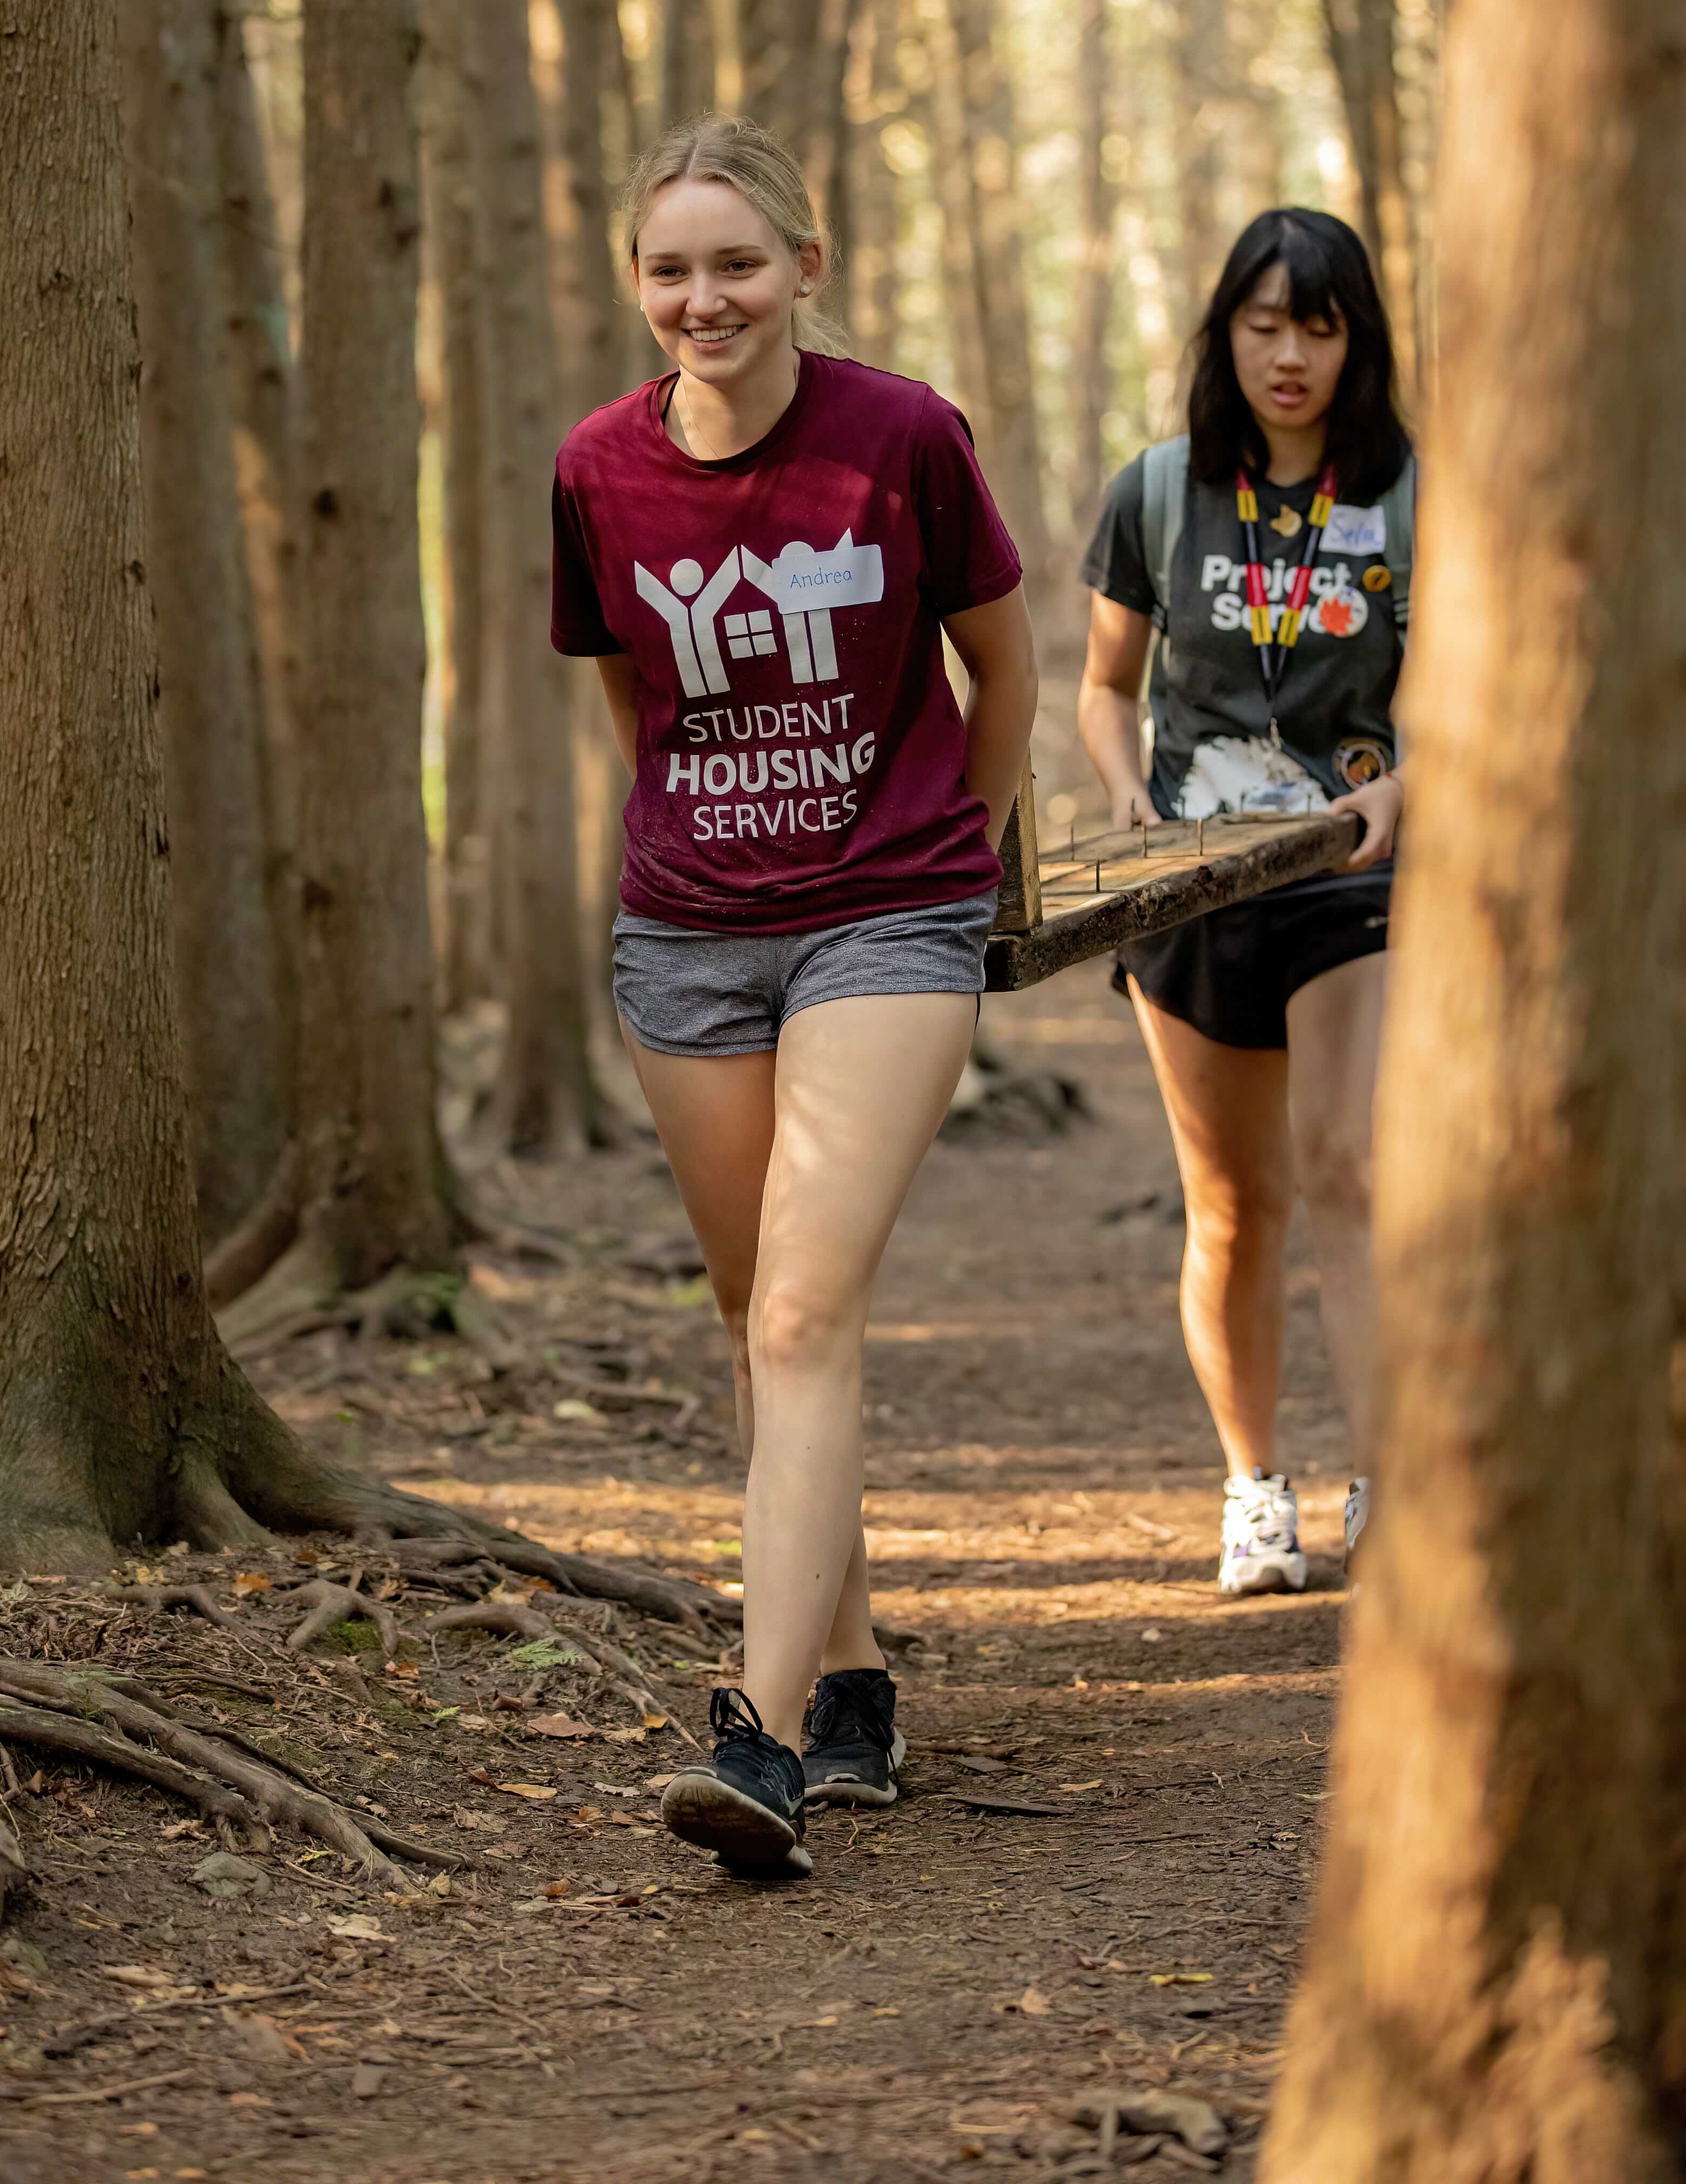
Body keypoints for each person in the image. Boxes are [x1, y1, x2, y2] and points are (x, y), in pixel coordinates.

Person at [551, 114, 1040, 1880]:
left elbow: (1006, 659)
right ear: (638, 284)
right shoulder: (597, 467)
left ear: (805, 270)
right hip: (686, 934)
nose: (706, 299)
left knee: (804, 1312)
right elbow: (634, 704)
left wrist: (952, 854)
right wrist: (709, 847)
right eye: (672, 269)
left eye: (740, 263)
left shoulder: (901, 433)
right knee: (761, 1310)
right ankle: (851, 1677)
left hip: (889, 918)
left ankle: (752, 1745)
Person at [1077, 208, 1412, 1597]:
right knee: (1234, 1205)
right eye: (1264, 325)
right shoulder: (1160, 491)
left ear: (1355, 342)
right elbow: (1107, 685)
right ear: (1226, 333)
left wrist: (1410, 782)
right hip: (1191, 884)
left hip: (1352, 871)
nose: (1289, 355)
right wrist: (1126, 795)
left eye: (1318, 328)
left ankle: (1394, 1488)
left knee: (1351, 1169)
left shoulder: (1405, 495)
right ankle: (1253, 1489)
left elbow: (1449, 686)